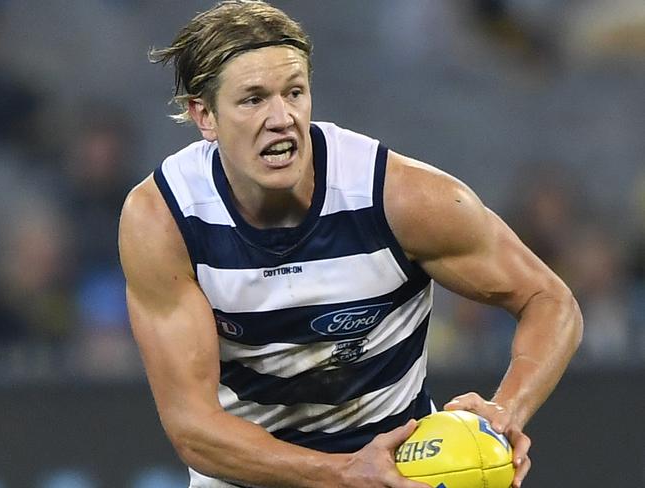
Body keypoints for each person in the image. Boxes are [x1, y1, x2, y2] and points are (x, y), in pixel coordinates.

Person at [118, 2, 583, 487]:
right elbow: (194, 429)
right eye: (253, 99)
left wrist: (506, 411)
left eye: (294, 92)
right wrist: (342, 473)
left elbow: (550, 300)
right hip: (250, 474)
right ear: (204, 115)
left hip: (399, 468)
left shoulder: (404, 198)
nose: (282, 118)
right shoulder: (164, 219)